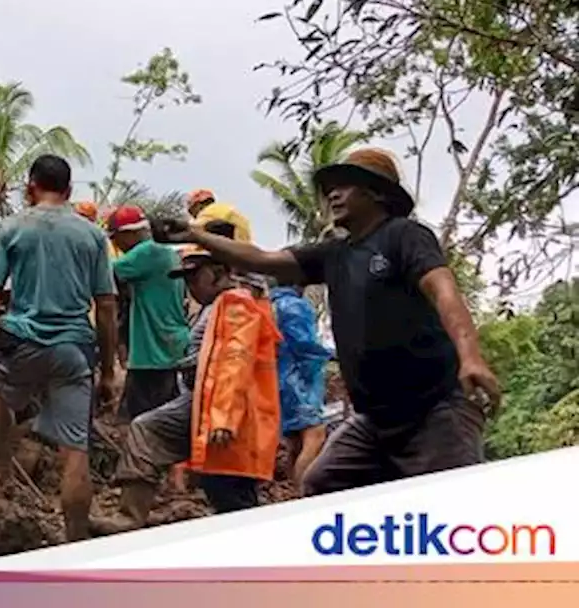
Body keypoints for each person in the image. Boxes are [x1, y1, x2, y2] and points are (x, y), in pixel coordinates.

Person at [154, 147, 501, 496]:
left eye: (346, 186)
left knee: (453, 512)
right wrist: (195, 236)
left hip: (434, 411)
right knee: (323, 485)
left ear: (377, 193)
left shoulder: (404, 236)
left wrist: (471, 356)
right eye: (330, 187)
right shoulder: (334, 254)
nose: (333, 194)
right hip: (376, 420)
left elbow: (443, 289)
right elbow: (260, 258)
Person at [0, 155, 119, 542]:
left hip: (22, 341)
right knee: (76, 451)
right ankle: (75, 540)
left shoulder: (12, 227)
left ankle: (3, 471)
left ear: (30, 186)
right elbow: (107, 306)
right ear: (69, 191)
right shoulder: (92, 235)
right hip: (75, 348)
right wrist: (108, 371)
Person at [94, 247, 280, 533]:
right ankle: (130, 516)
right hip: (203, 401)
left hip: (230, 408)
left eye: (196, 278)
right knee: (148, 430)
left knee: (228, 490)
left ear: (218, 273)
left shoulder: (237, 304)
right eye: (187, 280)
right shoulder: (217, 305)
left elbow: (235, 362)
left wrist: (224, 418)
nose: (191, 287)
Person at [105, 205, 190, 419]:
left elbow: (103, 271)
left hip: (153, 352)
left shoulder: (146, 252)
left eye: (116, 238)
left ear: (130, 233)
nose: (116, 245)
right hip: (170, 345)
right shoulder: (167, 253)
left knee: (142, 421)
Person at [270, 278, 334, 487]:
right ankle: (303, 492)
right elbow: (305, 346)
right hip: (299, 381)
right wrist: (330, 354)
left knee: (295, 443)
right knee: (315, 435)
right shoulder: (294, 306)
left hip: (279, 378)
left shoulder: (272, 304)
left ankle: (292, 489)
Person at [187, 189, 253, 243]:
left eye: (192, 211)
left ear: (198, 205)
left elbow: (194, 228)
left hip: (229, 249)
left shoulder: (211, 209)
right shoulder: (225, 209)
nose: (194, 216)